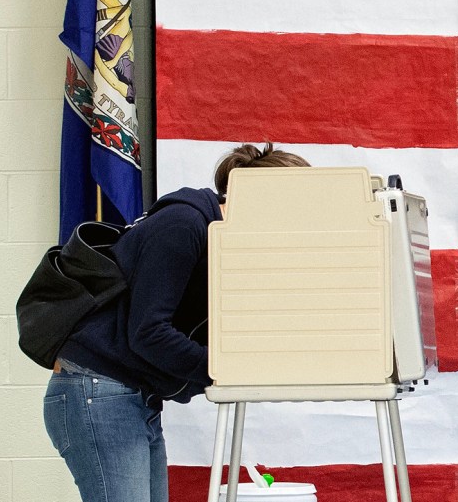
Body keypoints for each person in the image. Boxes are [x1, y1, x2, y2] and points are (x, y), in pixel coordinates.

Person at [43, 143, 311, 502]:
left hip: (128, 395)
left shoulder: (218, 237)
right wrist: (224, 370)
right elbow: (148, 333)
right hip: (99, 390)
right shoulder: (182, 224)